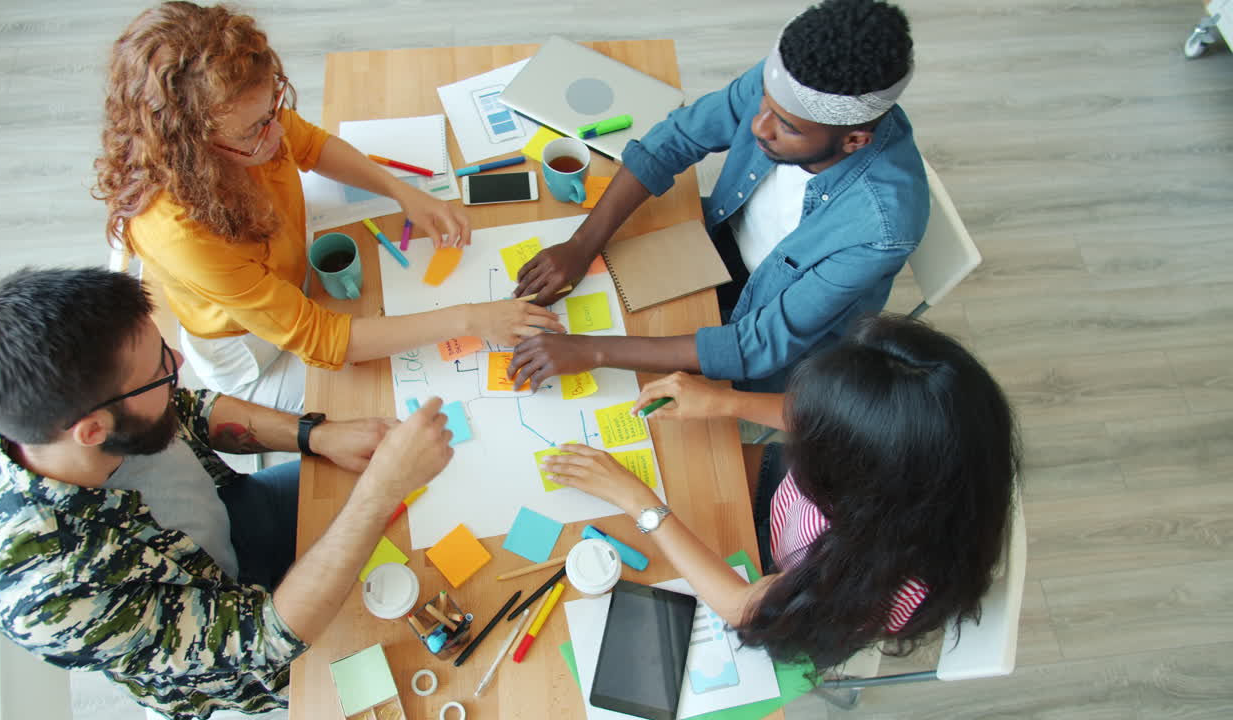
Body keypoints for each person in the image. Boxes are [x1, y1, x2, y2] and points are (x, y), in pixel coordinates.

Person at [0, 267, 455, 719]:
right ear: (92, 431)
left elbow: (190, 410)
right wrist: (378, 491)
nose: (178, 362)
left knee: (426, 517)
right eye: (160, 370)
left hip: (238, 516)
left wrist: (315, 435)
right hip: (256, 647)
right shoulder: (51, 593)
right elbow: (266, 640)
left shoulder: (49, 415)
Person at [94, 2, 563, 413]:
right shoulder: (180, 231)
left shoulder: (246, 119)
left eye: (274, 109)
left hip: (291, 285)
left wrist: (402, 191)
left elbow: (311, 145)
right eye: (255, 130)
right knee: (383, 404)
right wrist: (472, 319)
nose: (278, 134)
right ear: (191, 149)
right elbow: (322, 340)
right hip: (250, 352)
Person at [541, 315, 1020, 672]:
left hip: (803, 590)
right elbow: (835, 419)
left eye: (814, 436)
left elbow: (742, 608)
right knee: (693, 468)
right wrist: (725, 401)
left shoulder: (882, 578)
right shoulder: (942, 446)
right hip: (790, 516)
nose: (802, 431)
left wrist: (638, 501)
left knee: (674, 513)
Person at [509, 0, 928, 393]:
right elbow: (674, 140)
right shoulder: (789, 86)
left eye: (787, 128)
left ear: (855, 140)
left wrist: (594, 351)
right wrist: (583, 244)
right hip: (716, 248)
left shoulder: (881, 227)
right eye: (764, 103)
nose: (759, 127)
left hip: (768, 336)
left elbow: (759, 344)